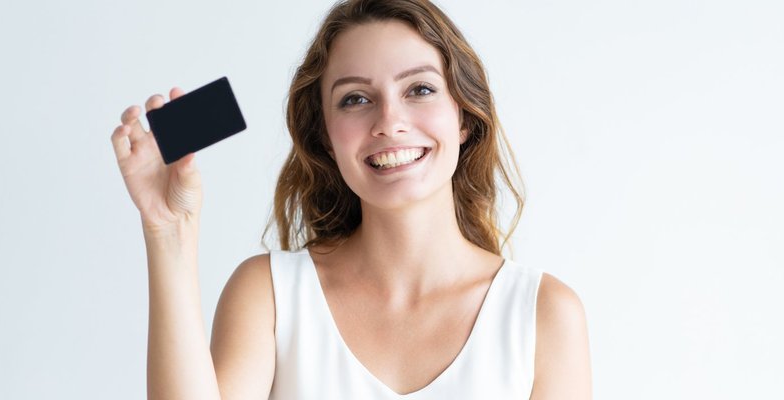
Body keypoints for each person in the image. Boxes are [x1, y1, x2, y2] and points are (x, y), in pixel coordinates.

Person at [108, 0, 591, 398]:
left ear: (464, 116)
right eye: (355, 99)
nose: (389, 122)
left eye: (420, 89)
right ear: (324, 136)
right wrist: (167, 229)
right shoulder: (269, 295)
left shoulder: (544, 315)